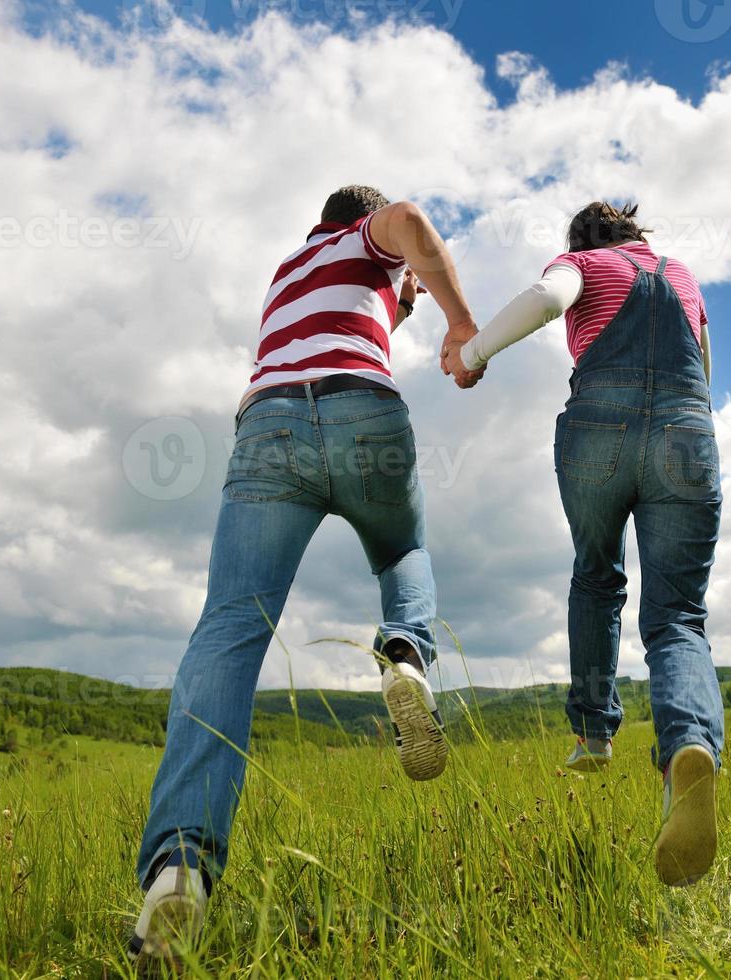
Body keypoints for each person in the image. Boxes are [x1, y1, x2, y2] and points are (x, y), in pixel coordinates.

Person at [131, 185, 482, 963]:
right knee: (402, 552)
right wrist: (456, 320)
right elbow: (413, 225)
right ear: (359, 216)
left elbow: (347, 314)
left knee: (227, 633)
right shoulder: (367, 232)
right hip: (363, 416)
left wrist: (398, 299)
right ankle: (406, 656)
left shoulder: (290, 267)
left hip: (269, 428)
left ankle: (178, 867)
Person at [443, 201, 725, 887]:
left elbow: (547, 299)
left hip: (599, 426)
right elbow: (706, 370)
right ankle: (688, 745)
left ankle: (596, 734)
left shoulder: (582, 264)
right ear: (636, 236)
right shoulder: (681, 275)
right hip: (687, 433)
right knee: (678, 619)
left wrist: (472, 353)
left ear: (583, 241)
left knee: (597, 578)